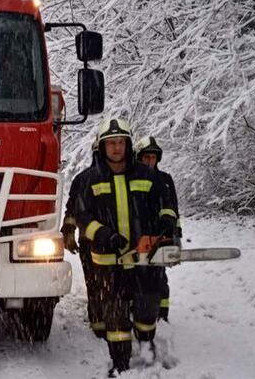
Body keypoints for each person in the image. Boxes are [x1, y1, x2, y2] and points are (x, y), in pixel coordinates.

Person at [74, 118, 177, 376]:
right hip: (109, 264)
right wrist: (104, 235)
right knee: (116, 317)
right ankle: (120, 366)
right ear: (102, 147)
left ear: (129, 144)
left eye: (121, 142)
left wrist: (165, 224)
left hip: (144, 260)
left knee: (147, 308)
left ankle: (147, 346)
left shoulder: (148, 176)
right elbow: (82, 217)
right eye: (111, 143)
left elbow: (166, 204)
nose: (116, 148)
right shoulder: (89, 179)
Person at [135, 136, 181, 322]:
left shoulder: (165, 179)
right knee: (137, 276)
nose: (150, 161)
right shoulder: (132, 179)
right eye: (146, 157)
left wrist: (174, 232)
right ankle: (140, 310)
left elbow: (173, 208)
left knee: (160, 276)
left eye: (153, 157)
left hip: (161, 235)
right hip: (139, 236)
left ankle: (162, 313)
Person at [61, 139, 100, 323]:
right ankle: (99, 319)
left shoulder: (128, 179)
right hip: (90, 242)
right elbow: (72, 209)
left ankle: (104, 319)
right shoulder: (83, 179)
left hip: (115, 242)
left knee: (101, 284)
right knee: (95, 284)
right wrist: (68, 231)